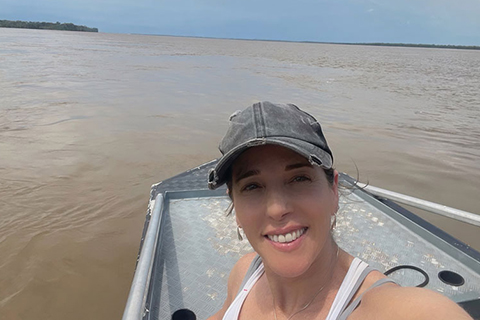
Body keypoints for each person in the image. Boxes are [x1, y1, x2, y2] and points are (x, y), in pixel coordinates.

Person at [206, 101, 472, 320]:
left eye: (299, 179)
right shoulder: (245, 274)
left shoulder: (397, 311)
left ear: (333, 190)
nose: (277, 209)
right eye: (252, 186)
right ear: (235, 207)